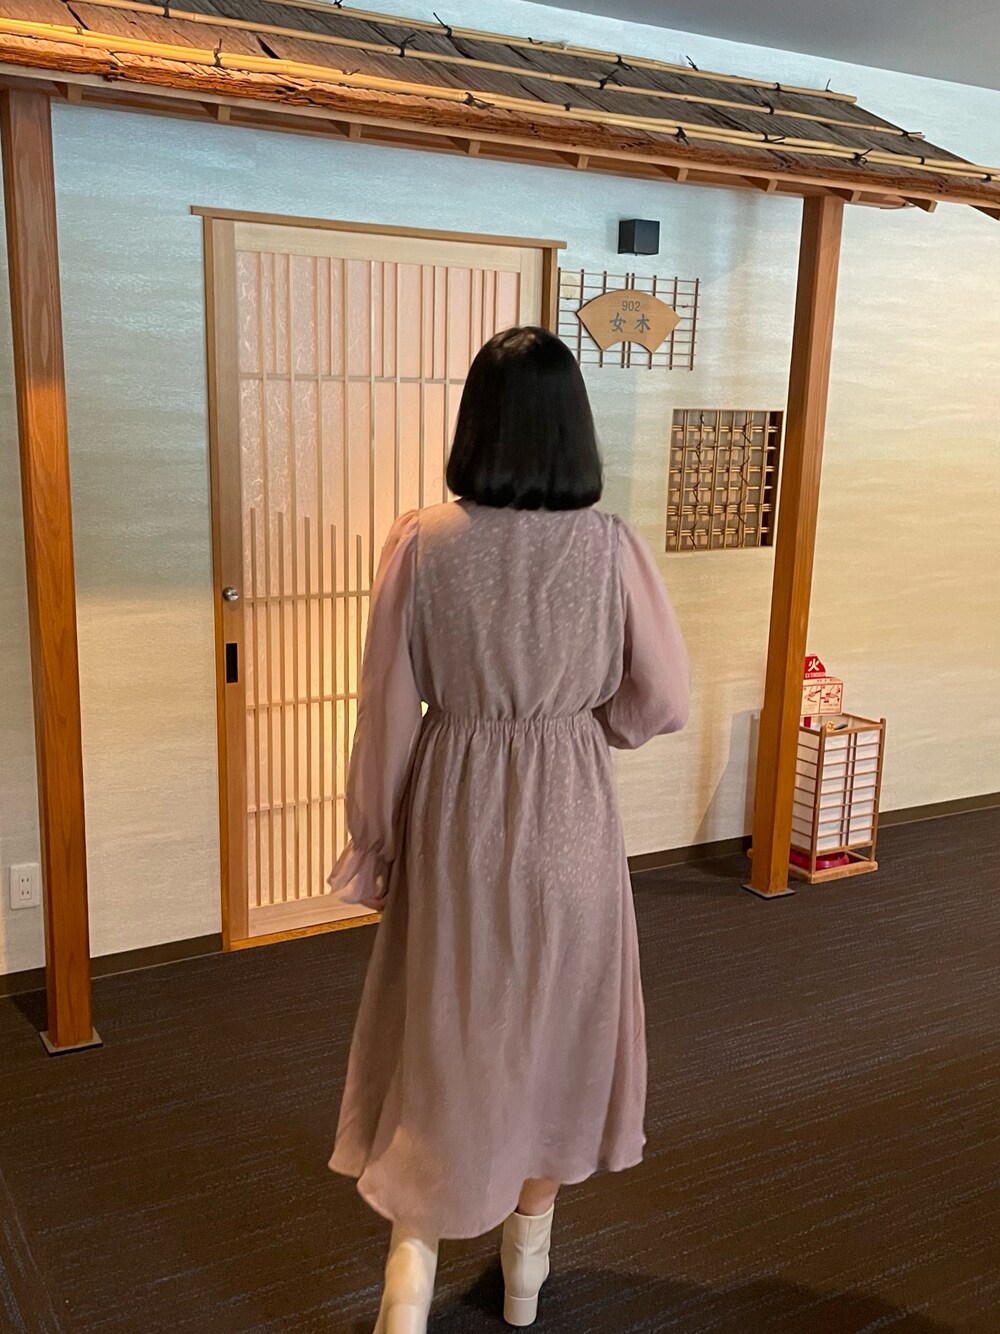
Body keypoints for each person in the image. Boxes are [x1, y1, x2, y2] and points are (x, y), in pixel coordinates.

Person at [328, 326, 690, 1332]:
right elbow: (662, 699)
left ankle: (410, 1273)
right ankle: (526, 1276)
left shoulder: (423, 544)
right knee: (559, 1033)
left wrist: (377, 839)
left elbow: (385, 711)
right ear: (574, 429)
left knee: (448, 1027)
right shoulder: (611, 548)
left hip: (457, 813)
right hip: (571, 811)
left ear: (475, 424)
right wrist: (584, 724)